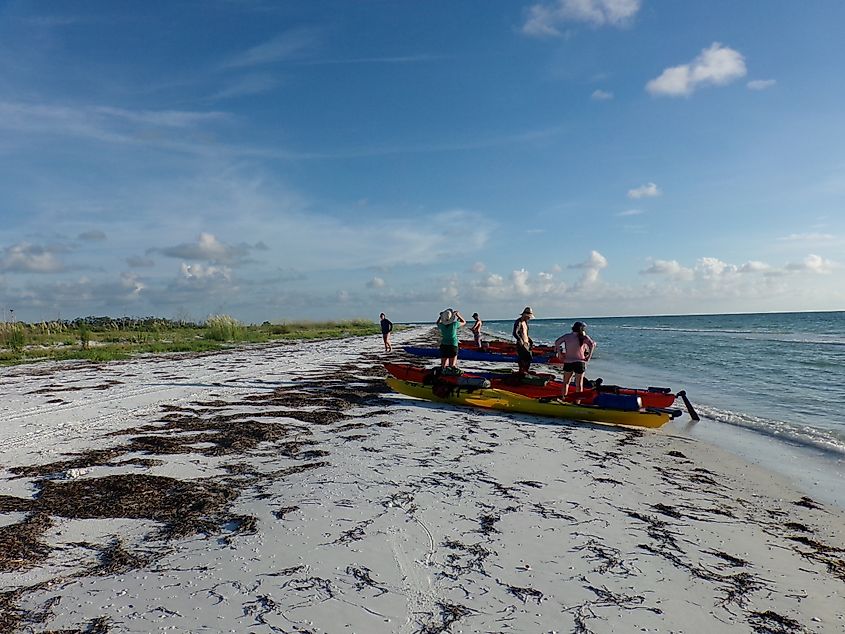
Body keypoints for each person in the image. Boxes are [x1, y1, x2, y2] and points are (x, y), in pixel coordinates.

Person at [554, 321, 596, 398]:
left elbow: (557, 342)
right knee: (579, 384)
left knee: (566, 383)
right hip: (580, 362)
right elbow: (592, 345)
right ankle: (577, 402)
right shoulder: (584, 337)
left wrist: (560, 354)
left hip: (568, 361)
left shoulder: (567, 336)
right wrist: (589, 356)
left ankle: (564, 398)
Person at [512, 306, 535, 375]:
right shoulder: (518, 322)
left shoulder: (525, 322)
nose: (529, 318)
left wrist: (530, 341)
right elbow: (515, 333)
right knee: (523, 357)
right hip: (521, 344)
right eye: (528, 317)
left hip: (526, 343)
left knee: (529, 357)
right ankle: (521, 370)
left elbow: (525, 334)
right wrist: (520, 340)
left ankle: (525, 370)